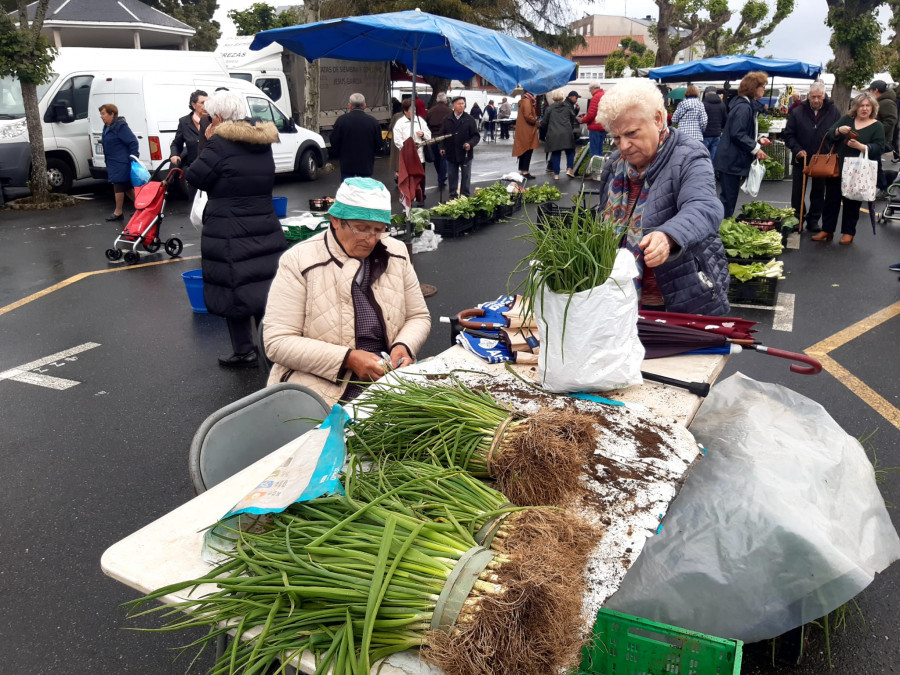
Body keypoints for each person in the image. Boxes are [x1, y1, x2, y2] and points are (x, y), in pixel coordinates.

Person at [263, 177, 431, 404]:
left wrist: (403, 346)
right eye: (361, 229)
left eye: (378, 230)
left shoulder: (397, 252)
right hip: (319, 382)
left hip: (386, 374)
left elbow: (418, 316)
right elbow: (277, 342)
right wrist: (347, 359)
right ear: (335, 220)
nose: (371, 240)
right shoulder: (298, 261)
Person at [595, 78, 730, 315]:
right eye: (616, 137)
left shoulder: (690, 155)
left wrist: (669, 236)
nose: (623, 146)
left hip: (677, 298)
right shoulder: (614, 165)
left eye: (631, 133)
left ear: (658, 119)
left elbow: (705, 206)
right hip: (617, 299)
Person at [184, 89, 287, 368]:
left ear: (217, 117)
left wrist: (206, 143)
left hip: (230, 226)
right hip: (264, 222)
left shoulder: (219, 145)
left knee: (235, 288)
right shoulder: (261, 141)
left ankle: (244, 350)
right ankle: (270, 347)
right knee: (263, 285)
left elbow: (196, 176)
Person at [812, 93, 886, 246]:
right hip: (838, 167)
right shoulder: (847, 120)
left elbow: (880, 147)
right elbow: (830, 134)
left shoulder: (877, 126)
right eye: (861, 105)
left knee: (852, 202)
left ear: (872, 108)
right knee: (831, 199)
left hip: (857, 171)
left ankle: (848, 232)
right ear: (856, 107)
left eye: (867, 106)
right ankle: (827, 229)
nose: (864, 108)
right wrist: (839, 131)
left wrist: (862, 147)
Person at [782, 81, 840, 233]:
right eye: (813, 97)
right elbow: (788, 135)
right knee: (797, 192)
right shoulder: (797, 111)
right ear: (808, 96)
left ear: (824, 96)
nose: (816, 100)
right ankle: (797, 218)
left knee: (819, 191)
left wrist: (832, 151)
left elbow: (837, 135)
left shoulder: (833, 111)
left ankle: (813, 220)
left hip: (822, 159)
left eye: (819, 97)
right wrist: (797, 149)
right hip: (802, 158)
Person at [713, 71, 773, 218]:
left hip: (731, 159)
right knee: (728, 200)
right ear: (754, 87)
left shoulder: (744, 105)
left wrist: (758, 140)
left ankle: (720, 226)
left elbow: (740, 132)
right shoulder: (743, 107)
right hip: (731, 160)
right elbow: (737, 133)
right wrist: (756, 149)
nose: (764, 89)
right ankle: (718, 229)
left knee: (729, 198)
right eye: (762, 86)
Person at [98, 103, 139, 222]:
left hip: (122, 161)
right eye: (101, 114)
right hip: (112, 161)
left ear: (112, 114)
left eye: (103, 113)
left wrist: (134, 157)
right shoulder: (107, 127)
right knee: (126, 187)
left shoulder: (120, 126)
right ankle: (143, 207)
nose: (101, 116)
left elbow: (133, 142)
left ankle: (118, 211)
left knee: (118, 185)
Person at [329, 92, 383, 181]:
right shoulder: (373, 122)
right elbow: (379, 143)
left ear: (350, 105)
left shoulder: (341, 121)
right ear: (364, 106)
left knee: (347, 191)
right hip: (366, 164)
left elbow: (334, 140)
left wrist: (339, 153)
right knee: (364, 190)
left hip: (347, 164)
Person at [392, 98, 432, 207]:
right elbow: (397, 140)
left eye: (415, 109)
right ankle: (407, 197)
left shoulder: (420, 120)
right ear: (405, 111)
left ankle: (421, 197)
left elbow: (429, 135)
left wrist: (423, 134)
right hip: (407, 156)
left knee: (421, 177)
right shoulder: (400, 123)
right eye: (411, 109)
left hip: (420, 156)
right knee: (408, 178)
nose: (414, 111)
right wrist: (407, 147)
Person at [169, 89, 207, 199]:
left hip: (211, 170)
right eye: (202, 103)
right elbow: (176, 143)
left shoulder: (213, 120)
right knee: (195, 207)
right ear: (193, 104)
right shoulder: (184, 122)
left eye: (208, 103)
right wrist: (174, 155)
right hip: (194, 170)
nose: (206, 106)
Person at [440, 95, 480, 199]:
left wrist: (470, 144)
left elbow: (476, 135)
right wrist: (442, 147)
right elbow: (442, 136)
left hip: (465, 153)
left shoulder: (469, 119)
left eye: (463, 103)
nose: (462, 106)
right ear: (453, 105)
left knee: (466, 176)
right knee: (452, 176)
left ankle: (464, 196)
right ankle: (452, 195)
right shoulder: (447, 119)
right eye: (459, 104)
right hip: (451, 153)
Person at [867, 80, 897, 198]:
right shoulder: (882, 102)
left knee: (875, 163)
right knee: (873, 163)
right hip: (878, 139)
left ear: (876, 91)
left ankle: (883, 187)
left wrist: (875, 132)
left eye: (870, 90)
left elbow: (891, 121)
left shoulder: (887, 103)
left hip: (882, 140)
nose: (869, 93)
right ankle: (880, 186)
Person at [540, 90, 577, 179]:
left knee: (556, 153)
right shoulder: (568, 107)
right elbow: (573, 117)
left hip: (553, 133)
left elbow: (544, 123)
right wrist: (570, 126)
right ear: (563, 97)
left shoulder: (549, 108)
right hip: (567, 132)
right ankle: (569, 169)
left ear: (553, 98)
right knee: (570, 151)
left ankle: (556, 174)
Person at [425, 92, 453, 191]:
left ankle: (440, 176)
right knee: (444, 159)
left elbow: (425, 124)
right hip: (445, 138)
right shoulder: (449, 111)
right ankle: (441, 178)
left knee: (436, 159)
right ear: (446, 101)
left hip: (433, 137)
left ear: (436, 100)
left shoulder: (430, 111)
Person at [512, 91, 539, 177]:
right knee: (527, 150)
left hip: (524, 129)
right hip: (527, 130)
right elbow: (528, 116)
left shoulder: (524, 100)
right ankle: (525, 171)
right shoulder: (527, 101)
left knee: (524, 150)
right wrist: (535, 121)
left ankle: (523, 170)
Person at [578, 81, 607, 159]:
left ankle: (595, 169)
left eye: (590, 90)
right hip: (603, 126)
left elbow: (591, 114)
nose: (590, 92)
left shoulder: (596, 97)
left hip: (595, 127)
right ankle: (600, 168)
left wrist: (583, 120)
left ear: (593, 88)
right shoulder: (604, 95)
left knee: (594, 152)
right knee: (600, 150)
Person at [701, 86, 727, 161]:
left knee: (703, 157)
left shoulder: (703, 104)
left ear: (706, 94)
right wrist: (720, 128)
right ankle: (712, 171)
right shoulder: (722, 105)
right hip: (717, 134)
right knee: (713, 157)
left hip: (705, 134)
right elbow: (725, 119)